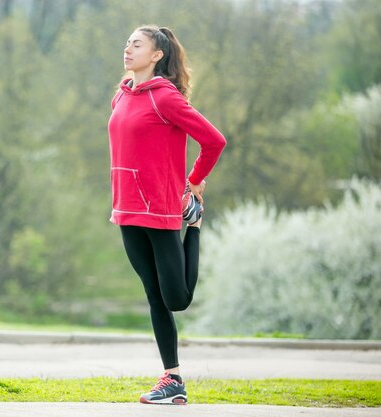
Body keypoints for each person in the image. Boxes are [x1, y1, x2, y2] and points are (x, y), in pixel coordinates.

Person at [108, 24, 226, 405]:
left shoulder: (166, 98)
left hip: (160, 209)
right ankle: (172, 379)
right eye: (127, 43)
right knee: (154, 297)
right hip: (126, 209)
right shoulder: (121, 96)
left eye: (136, 44)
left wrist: (193, 182)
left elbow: (213, 140)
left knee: (175, 298)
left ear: (157, 55)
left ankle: (196, 224)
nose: (128, 48)